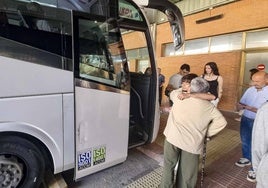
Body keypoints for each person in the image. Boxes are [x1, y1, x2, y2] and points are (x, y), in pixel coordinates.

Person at [160, 74, 227, 188]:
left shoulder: (178, 96)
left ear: (190, 88)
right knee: (187, 173)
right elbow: (222, 122)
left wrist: (187, 91)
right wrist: (207, 134)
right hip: (192, 143)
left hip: (172, 138)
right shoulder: (209, 107)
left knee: (169, 166)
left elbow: (173, 92)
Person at [235, 71, 268, 183]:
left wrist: (252, 109)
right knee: (245, 140)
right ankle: (246, 158)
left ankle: (256, 168)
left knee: (259, 145)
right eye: (253, 80)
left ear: (266, 80)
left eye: (257, 81)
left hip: (261, 123)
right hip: (246, 118)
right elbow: (241, 103)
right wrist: (239, 106)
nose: (254, 83)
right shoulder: (250, 90)